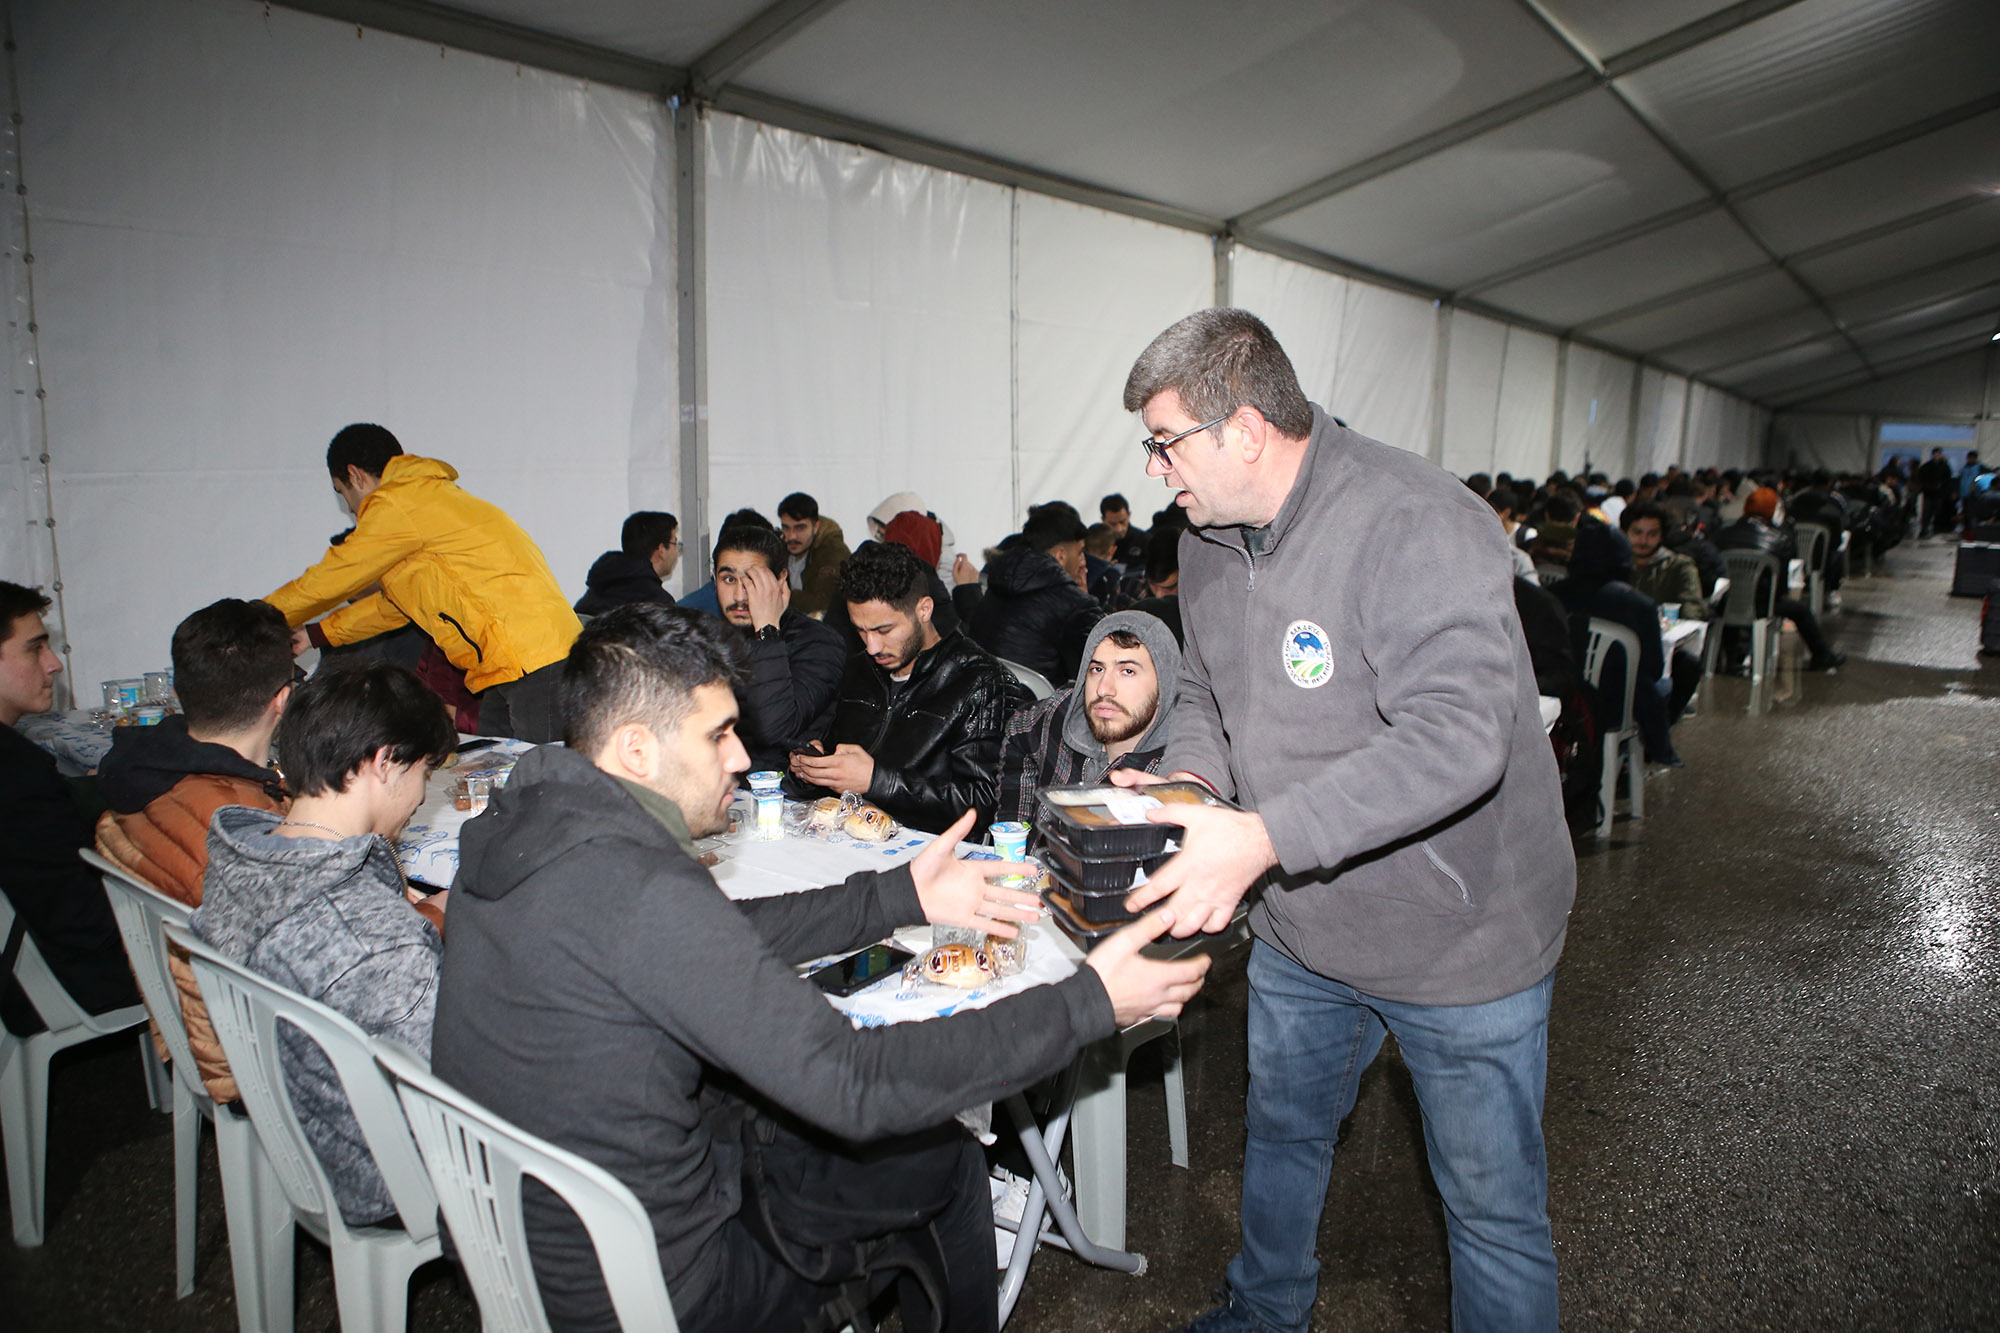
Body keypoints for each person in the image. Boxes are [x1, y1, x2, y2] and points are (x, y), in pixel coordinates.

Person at [429, 603, 1209, 1333]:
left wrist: (901, 890)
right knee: (938, 1151)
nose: (741, 754)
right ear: (638, 747)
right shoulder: (643, 891)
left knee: (780, 1104)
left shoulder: (526, 834)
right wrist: (1086, 1002)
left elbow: (721, 932)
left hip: (527, 1238)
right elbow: (858, 1083)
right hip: (656, 1289)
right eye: (718, 735)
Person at [1111, 309, 1574, 1333]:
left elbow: (1456, 737)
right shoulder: (1204, 540)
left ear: (1243, 430)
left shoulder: (1415, 519)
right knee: (1281, 1135)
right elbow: (1208, 697)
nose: (1153, 471)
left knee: (1489, 1209)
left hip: (1463, 939)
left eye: (1162, 442)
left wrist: (1263, 836)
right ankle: (1264, 1311)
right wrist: (1190, 783)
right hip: (1305, 928)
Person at [193, 658, 455, 1225]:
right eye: (423, 774)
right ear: (386, 763)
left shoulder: (240, 855)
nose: (419, 795)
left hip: (297, 1122)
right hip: (387, 1174)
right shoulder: (375, 942)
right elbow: (458, 1107)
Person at [264, 423, 580, 742]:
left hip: (531, 660)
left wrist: (255, 619)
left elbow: (333, 576)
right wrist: (314, 634)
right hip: (520, 660)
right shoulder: (424, 501)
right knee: (499, 762)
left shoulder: (397, 502)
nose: (349, 507)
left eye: (342, 491)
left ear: (355, 475)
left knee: (543, 776)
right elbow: (397, 606)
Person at [95, 598, 293, 1103]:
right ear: (283, 700)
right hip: (258, 1049)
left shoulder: (142, 777)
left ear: (182, 690)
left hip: (195, 1022)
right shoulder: (242, 828)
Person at [791, 542, 1019, 835]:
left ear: (924, 610)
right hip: (852, 840)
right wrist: (814, 770)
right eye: (860, 630)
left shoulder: (981, 683)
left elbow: (985, 804)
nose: (872, 646)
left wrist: (877, 781)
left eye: (884, 630)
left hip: (930, 853)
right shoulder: (860, 670)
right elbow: (839, 760)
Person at [0, 582, 139, 1034]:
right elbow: (82, 922)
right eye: (34, 649)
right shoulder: (16, 774)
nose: (54, 664)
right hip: (58, 979)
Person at [996, 611, 1180, 824]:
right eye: (1097, 669)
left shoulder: (1177, 771)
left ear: (1165, 688)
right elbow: (1019, 730)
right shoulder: (1063, 713)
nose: (1104, 689)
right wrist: (1016, 832)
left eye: (1127, 671)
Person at [710, 522, 845, 772]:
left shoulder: (819, 643)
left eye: (752, 581)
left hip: (784, 798)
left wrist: (767, 630)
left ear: (780, 580)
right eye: (728, 579)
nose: (739, 596)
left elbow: (774, 729)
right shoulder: (710, 638)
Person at [1552, 524, 1682, 766]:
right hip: (1616, 706)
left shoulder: (1551, 596)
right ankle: (1636, 759)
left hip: (1562, 701)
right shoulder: (1639, 605)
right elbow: (1653, 669)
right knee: (1664, 685)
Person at [966, 506, 1101, 684]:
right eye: (1080, 552)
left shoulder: (996, 583)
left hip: (982, 698)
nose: (1083, 560)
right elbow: (1096, 671)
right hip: (1038, 708)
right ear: (1060, 556)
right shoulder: (1074, 604)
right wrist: (1082, 597)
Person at [1715, 487, 1846, 672]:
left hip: (1725, 602)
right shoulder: (1780, 539)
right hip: (1761, 604)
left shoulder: (1722, 534)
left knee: (1734, 602)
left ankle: (1730, 657)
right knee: (1801, 611)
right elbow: (1780, 588)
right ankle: (1822, 655)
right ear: (1772, 510)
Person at [574, 511, 680, 616]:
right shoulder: (658, 604)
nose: (677, 552)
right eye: (675, 544)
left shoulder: (596, 591)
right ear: (661, 549)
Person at [777, 492, 851, 619]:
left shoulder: (834, 552)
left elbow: (822, 603)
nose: (791, 536)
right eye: (786, 528)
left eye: (800, 528)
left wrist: (778, 594)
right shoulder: (780, 547)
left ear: (816, 527)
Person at [1488, 487, 1539, 580]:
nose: (1488, 514)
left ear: (1507, 512)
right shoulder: (1486, 534)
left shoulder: (1528, 535)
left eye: (1494, 510)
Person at [1100, 492, 1149, 569]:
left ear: (1129, 515)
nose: (1119, 529)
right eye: (1113, 524)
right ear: (1103, 520)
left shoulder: (1145, 540)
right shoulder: (1093, 542)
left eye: (1122, 522)